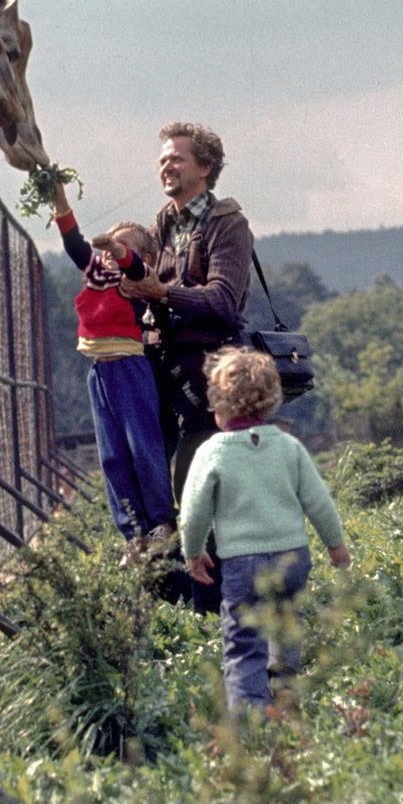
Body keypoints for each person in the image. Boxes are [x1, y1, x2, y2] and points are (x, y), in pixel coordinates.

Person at [121, 121, 254, 611]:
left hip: (206, 376)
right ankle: (168, 603)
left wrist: (162, 292)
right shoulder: (163, 223)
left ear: (205, 167)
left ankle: (212, 607)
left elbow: (223, 301)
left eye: (176, 158)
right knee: (150, 486)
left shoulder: (227, 224)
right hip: (160, 370)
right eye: (162, 159)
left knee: (195, 488)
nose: (166, 165)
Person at [179, 346, 351, 716]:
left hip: (243, 563)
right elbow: (319, 502)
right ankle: (286, 692)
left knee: (243, 642)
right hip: (293, 556)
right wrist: (336, 547)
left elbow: (193, 513)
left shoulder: (213, 452)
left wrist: (193, 553)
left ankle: (251, 717)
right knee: (287, 624)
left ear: (218, 406)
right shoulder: (289, 448)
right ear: (272, 400)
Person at [52, 181, 176, 550]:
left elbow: (135, 267)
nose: (107, 254)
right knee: (112, 455)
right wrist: (60, 200)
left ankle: (160, 522)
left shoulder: (135, 281)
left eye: (119, 248)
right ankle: (133, 534)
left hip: (129, 366)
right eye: (107, 248)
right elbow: (75, 245)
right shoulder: (97, 274)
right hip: (99, 371)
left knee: (143, 446)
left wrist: (119, 249)